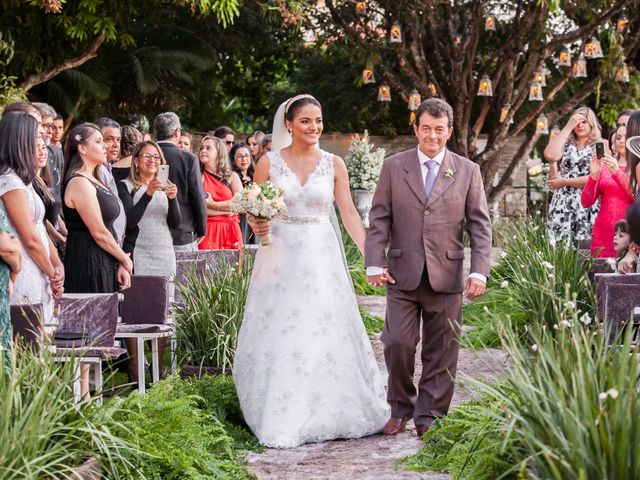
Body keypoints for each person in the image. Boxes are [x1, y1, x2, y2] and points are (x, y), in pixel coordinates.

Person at [233, 95, 389, 448]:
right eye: (306, 120)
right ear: (289, 124)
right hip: (281, 254)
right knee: (285, 328)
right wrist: (258, 224)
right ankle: (283, 412)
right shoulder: (268, 163)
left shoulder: (334, 164)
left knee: (324, 325)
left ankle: (334, 408)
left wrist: (371, 257)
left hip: (322, 255)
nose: (314, 127)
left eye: (318, 120)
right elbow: (256, 208)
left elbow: (349, 213)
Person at [365, 98, 492, 438]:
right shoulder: (394, 166)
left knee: (442, 350)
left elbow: (479, 225)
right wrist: (374, 262)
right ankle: (400, 408)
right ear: (416, 128)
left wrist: (479, 271)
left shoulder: (468, 171)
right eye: (426, 128)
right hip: (401, 273)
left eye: (439, 129)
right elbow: (379, 218)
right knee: (397, 343)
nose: (432, 135)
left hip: (447, 276)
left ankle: (430, 416)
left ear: (449, 131)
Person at [117, 140, 180, 382]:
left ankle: (157, 368)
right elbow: (130, 221)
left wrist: (173, 199)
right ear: (136, 160)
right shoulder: (125, 187)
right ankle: (135, 367)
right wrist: (149, 193)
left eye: (157, 157)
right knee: (137, 309)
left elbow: (175, 223)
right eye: (147, 156)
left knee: (161, 309)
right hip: (139, 253)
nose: (153, 161)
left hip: (164, 252)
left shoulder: (167, 187)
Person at [0, 112, 64, 323]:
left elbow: (40, 228)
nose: (42, 141)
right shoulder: (9, 182)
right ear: (20, 139)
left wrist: (56, 264)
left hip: (40, 270)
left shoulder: (25, 181)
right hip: (25, 271)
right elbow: (29, 238)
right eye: (36, 136)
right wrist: (52, 274)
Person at [62, 123, 132, 294]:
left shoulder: (94, 178)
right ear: (82, 149)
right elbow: (99, 232)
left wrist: (118, 260)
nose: (105, 146)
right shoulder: (79, 182)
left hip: (103, 258)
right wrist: (125, 259)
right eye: (99, 142)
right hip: (88, 261)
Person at [544, 107, 603, 246]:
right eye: (576, 122)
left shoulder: (600, 144)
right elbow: (550, 155)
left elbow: (598, 176)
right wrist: (568, 126)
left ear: (591, 124)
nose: (580, 125)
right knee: (559, 249)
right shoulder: (565, 143)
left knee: (585, 250)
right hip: (563, 203)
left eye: (584, 121)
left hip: (587, 201)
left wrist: (564, 181)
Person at [154, 112, 207, 251]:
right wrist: (202, 228)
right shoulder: (188, 159)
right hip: (182, 233)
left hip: (151, 232)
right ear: (177, 132)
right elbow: (197, 196)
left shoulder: (145, 155)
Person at [581, 124, 634, 257]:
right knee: (600, 276)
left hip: (630, 232)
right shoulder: (604, 168)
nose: (621, 140)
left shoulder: (636, 167)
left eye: (626, 137)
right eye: (618, 138)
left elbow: (636, 195)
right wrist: (593, 176)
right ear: (613, 143)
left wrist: (616, 172)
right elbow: (586, 202)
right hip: (603, 232)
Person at [197, 136, 243, 250]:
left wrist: (214, 205)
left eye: (208, 148)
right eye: (202, 148)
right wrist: (228, 210)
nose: (203, 150)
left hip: (231, 230)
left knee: (233, 267)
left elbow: (242, 204)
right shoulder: (198, 177)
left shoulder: (232, 177)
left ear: (219, 153)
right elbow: (200, 209)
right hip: (208, 231)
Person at [94, 118, 127, 245]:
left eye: (118, 140)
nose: (115, 144)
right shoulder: (95, 171)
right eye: (109, 139)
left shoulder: (107, 168)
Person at [33, 103, 64, 199]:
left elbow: (58, 191)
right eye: (45, 125)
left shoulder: (56, 153)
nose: (50, 131)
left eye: (51, 126)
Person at [230, 142, 255, 244]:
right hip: (240, 219)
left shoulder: (255, 176)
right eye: (239, 156)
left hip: (255, 219)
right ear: (233, 159)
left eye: (246, 155)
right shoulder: (231, 177)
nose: (244, 159)